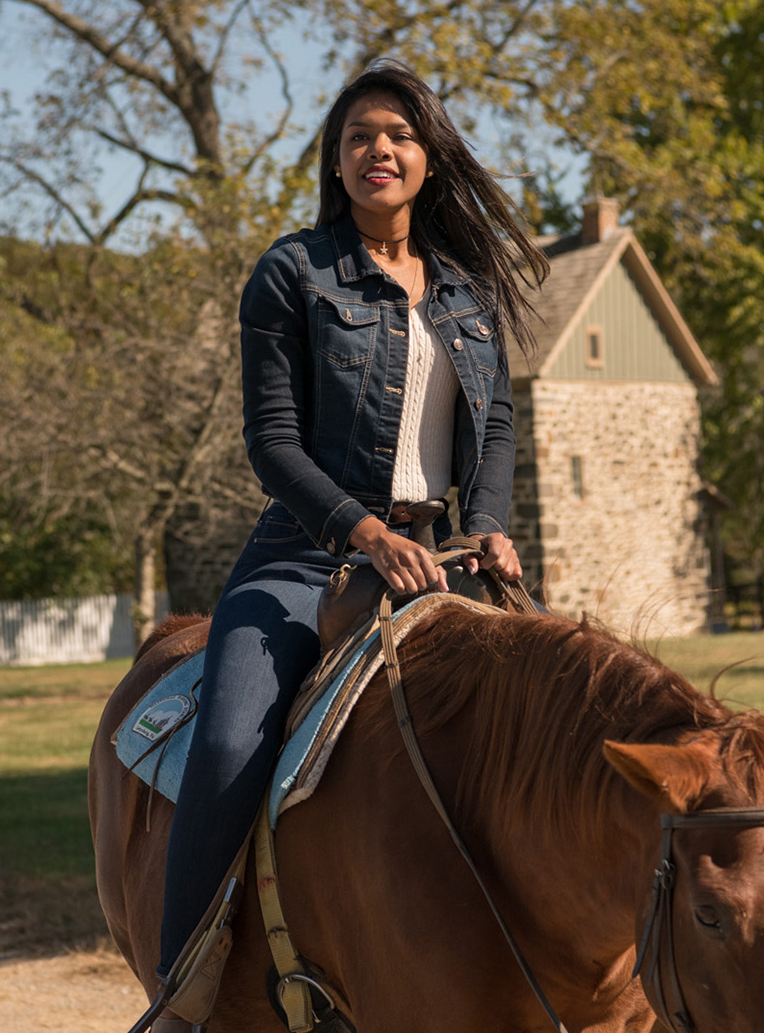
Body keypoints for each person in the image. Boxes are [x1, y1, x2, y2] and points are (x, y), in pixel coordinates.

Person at [146, 61, 547, 1028]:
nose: (381, 149)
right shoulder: (294, 271)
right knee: (235, 740)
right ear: (336, 161)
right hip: (303, 558)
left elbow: (494, 432)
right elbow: (271, 443)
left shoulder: (466, 292)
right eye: (361, 135)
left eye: (401, 135)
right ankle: (186, 992)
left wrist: (486, 523)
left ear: (429, 158)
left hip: (440, 561)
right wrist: (363, 532)